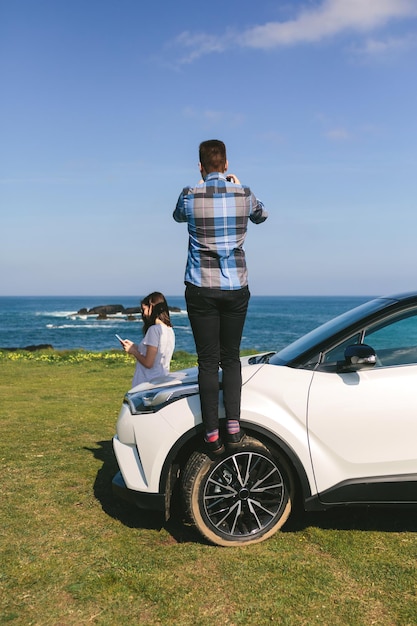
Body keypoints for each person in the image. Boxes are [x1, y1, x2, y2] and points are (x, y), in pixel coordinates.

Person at [173, 139, 267, 455]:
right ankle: (234, 428)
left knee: (208, 361)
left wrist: (201, 186)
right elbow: (262, 216)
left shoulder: (189, 194)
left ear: (201, 166)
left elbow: (176, 216)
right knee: (231, 357)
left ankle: (211, 435)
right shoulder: (244, 194)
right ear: (226, 165)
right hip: (236, 288)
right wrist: (238, 186)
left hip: (200, 288)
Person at [119, 292, 175, 387]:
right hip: (162, 381)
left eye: (144, 309)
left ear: (152, 307)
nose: (144, 313)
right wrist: (134, 347)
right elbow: (154, 353)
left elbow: (148, 363)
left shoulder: (154, 330)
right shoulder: (169, 330)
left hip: (147, 384)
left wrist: (133, 351)